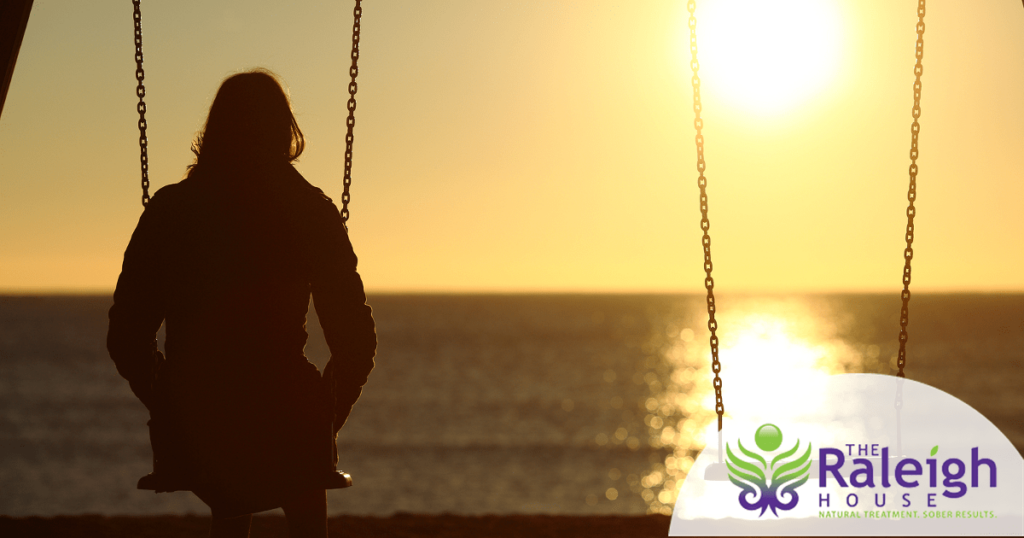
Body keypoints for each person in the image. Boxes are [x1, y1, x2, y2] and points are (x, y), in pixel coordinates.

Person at [107, 69, 376, 538]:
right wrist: (328, 417)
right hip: (286, 417)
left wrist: (168, 399)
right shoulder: (310, 211)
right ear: (285, 132)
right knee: (294, 430)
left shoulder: (172, 211)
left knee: (226, 428)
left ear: (214, 130)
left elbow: (126, 336)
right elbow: (356, 344)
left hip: (201, 419)